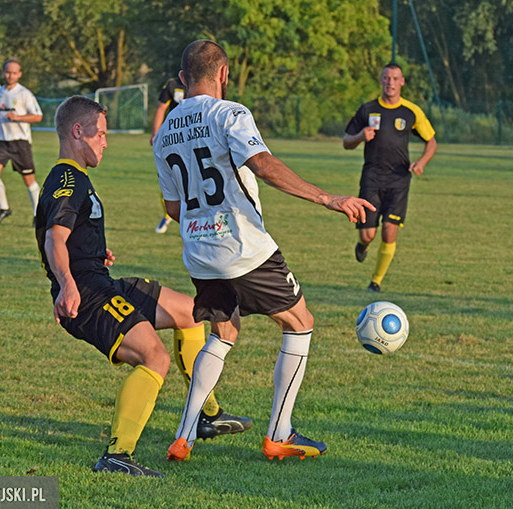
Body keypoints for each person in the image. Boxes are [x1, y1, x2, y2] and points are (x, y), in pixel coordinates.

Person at [153, 40, 374, 462]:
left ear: (182, 79)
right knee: (299, 322)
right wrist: (329, 198)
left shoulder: (164, 133)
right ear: (224, 73)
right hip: (243, 246)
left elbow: (172, 207)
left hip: (198, 250)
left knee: (223, 333)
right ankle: (279, 433)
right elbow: (263, 164)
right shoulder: (230, 113)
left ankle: (184, 436)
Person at [36, 95, 252, 477]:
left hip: (99, 280)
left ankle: (206, 414)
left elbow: (67, 236)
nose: (105, 141)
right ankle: (118, 455)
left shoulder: (76, 179)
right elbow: (54, 237)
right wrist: (68, 283)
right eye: (100, 134)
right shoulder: (67, 179)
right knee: (155, 358)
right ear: (77, 131)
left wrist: (92, 252)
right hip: (87, 295)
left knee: (191, 313)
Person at [343, 63, 437, 293]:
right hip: (372, 177)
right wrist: (360, 136)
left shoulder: (411, 111)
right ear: (381, 80)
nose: (390, 83)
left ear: (402, 81)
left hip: (399, 179)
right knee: (368, 233)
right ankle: (362, 244)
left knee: (390, 230)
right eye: (386, 78)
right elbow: (346, 141)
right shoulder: (367, 110)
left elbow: (431, 141)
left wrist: (421, 163)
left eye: (395, 78)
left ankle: (376, 282)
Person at [0, 58, 43, 224]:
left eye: (14, 73)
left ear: (19, 74)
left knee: (28, 179)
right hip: (2, 142)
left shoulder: (24, 94)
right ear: (3, 73)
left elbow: (38, 116)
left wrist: (18, 117)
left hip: (20, 142)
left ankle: (37, 214)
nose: (10, 75)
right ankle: (4, 209)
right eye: (7, 72)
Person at [149, 76, 186, 234]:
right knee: (168, 181)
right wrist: (155, 134)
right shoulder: (173, 85)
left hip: (196, 139)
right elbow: (161, 108)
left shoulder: (202, 83)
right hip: (175, 139)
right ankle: (168, 214)